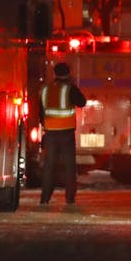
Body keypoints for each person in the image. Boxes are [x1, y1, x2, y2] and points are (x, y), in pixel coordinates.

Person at [39, 61, 87, 206]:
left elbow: (41, 112)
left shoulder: (45, 89)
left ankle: (45, 198)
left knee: (49, 166)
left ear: (55, 74)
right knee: (69, 167)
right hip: (66, 133)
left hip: (50, 133)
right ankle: (70, 198)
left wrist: (46, 125)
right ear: (68, 73)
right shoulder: (69, 88)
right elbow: (82, 102)